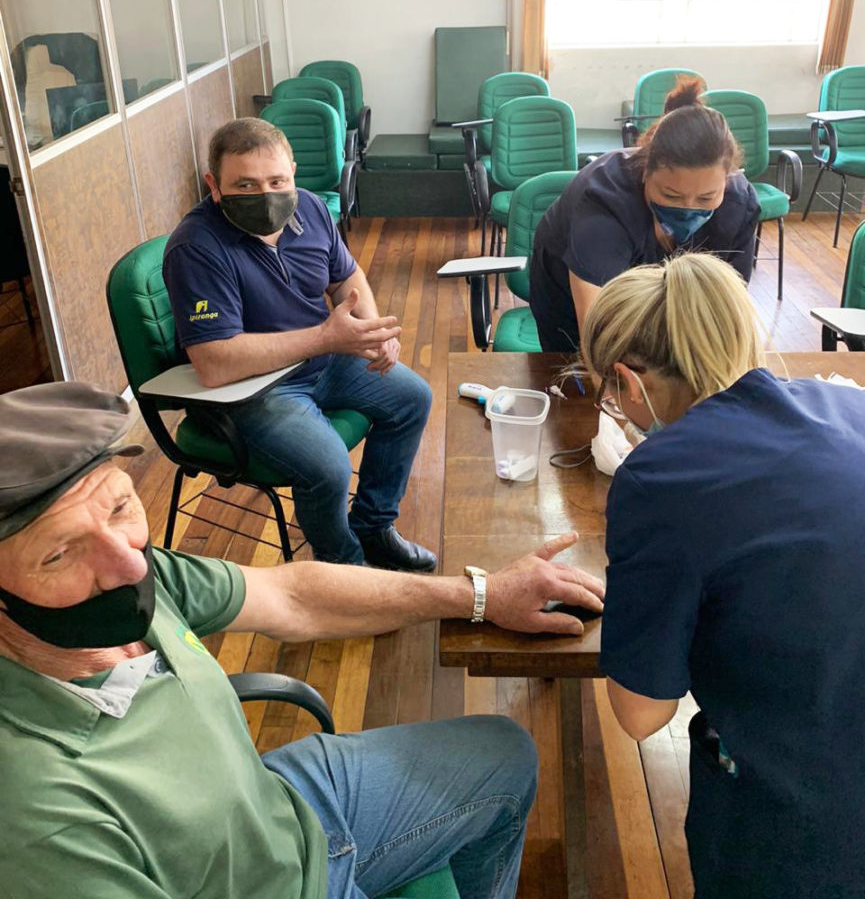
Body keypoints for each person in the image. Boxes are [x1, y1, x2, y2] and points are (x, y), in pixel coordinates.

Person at [0, 381, 605, 899]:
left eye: (120, 508)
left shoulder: (137, 578)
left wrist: (482, 596)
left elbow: (293, 595)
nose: (130, 567)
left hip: (271, 802)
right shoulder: (36, 817)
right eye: (58, 554)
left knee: (505, 753)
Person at [579, 252, 865, 898]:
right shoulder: (846, 406)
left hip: (807, 828)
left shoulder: (659, 478)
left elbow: (640, 713)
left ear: (627, 381)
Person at [163, 118, 434, 573]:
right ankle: (342, 568)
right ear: (214, 185)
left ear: (294, 171)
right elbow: (213, 364)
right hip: (254, 389)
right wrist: (326, 338)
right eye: (244, 185)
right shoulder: (196, 247)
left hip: (324, 359)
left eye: (276, 181)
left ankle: (373, 527)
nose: (265, 195)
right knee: (328, 465)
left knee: (413, 398)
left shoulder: (309, 209)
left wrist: (371, 330)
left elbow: (347, 277)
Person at [529, 77, 760, 352]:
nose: (688, 208)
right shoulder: (603, 201)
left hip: (672, 307)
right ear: (645, 171)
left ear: (727, 180)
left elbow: (727, 313)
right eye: (671, 195)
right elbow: (598, 334)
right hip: (571, 306)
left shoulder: (738, 205)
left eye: (706, 197)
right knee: (586, 379)